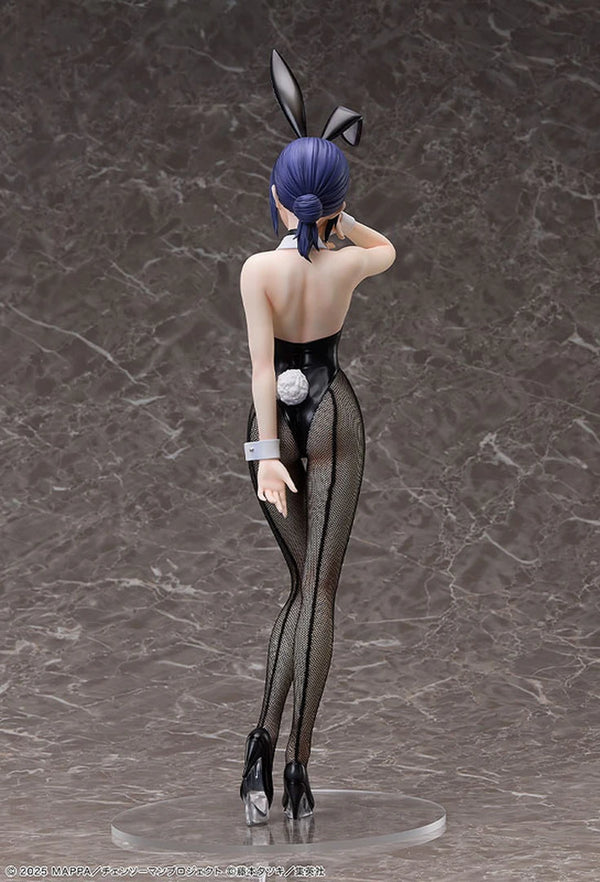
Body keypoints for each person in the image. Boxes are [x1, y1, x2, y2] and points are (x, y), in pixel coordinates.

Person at [239, 50, 396, 826]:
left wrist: (268, 453)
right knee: (319, 591)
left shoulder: (258, 272)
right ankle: (297, 765)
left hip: (275, 425)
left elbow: (262, 369)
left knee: (300, 588)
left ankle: (259, 752)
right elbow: (385, 248)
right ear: (332, 207)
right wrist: (336, 217)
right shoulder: (347, 267)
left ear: (276, 199)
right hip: (334, 413)